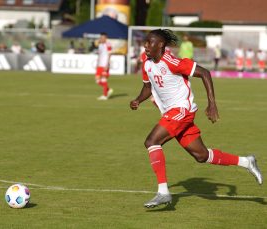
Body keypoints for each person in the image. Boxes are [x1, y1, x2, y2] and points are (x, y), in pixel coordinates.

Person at [129, 29, 263, 208]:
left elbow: (205, 73)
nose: (145, 46)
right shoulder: (146, 62)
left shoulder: (173, 61)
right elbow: (148, 87)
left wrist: (212, 103)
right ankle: (246, 161)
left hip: (182, 110)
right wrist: (138, 100)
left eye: (149, 43)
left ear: (160, 45)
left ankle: (163, 192)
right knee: (202, 155)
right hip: (172, 113)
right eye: (145, 42)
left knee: (151, 141)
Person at [95, 32, 113, 100]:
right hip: (100, 65)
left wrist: (107, 65)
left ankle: (105, 96)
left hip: (104, 65)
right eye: (101, 37)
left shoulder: (108, 44)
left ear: (106, 38)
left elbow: (109, 54)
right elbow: (100, 55)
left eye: (103, 38)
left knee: (103, 80)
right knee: (97, 80)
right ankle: (108, 89)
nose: (101, 39)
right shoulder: (100, 45)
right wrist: (97, 63)